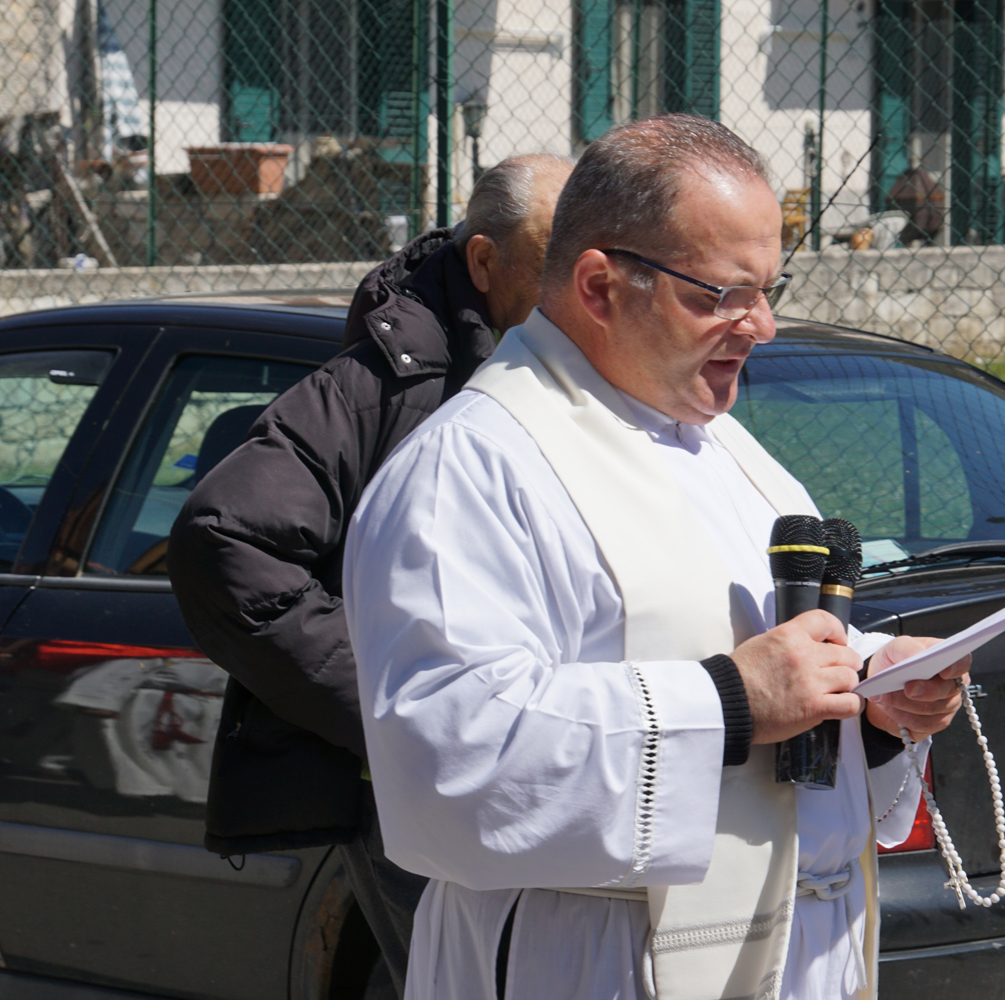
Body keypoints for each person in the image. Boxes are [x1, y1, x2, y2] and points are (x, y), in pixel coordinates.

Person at [342, 113, 970, 1000]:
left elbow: (767, 657)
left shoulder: (731, 454)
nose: (764, 326)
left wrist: (871, 695)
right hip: (590, 956)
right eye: (725, 294)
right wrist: (729, 702)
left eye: (770, 289)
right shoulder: (473, 469)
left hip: (800, 945)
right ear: (601, 286)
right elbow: (446, 758)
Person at [168, 153, 573, 999]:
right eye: (555, 262)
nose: (581, 287)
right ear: (485, 262)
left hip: (560, 782)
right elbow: (224, 543)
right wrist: (402, 705)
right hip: (422, 802)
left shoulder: (591, 377)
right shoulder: (384, 386)